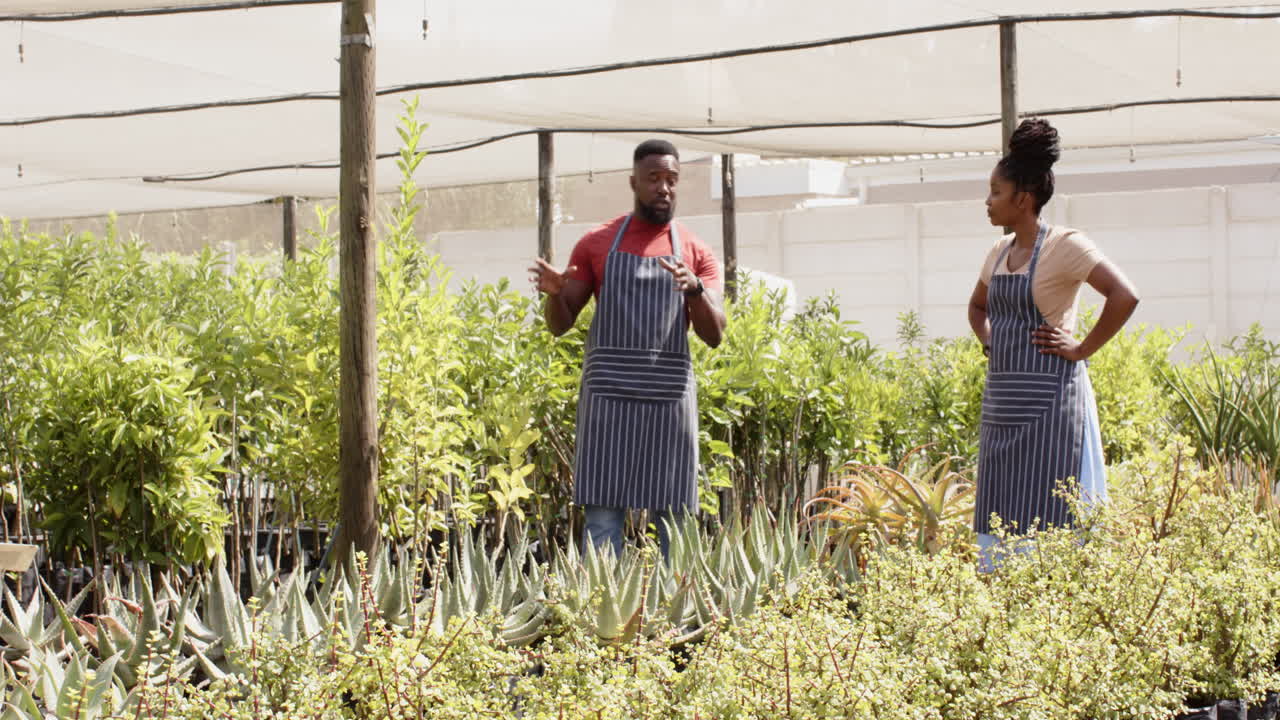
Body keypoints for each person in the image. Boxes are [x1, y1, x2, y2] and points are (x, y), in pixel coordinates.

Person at [529, 139, 727, 559]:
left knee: (675, 516)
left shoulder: (694, 251)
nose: (664, 188)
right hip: (608, 400)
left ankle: (678, 615)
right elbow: (561, 325)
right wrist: (553, 294)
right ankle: (604, 617)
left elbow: (715, 334)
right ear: (633, 182)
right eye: (653, 178)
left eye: (671, 179)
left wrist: (694, 289)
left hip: (668, 399)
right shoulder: (596, 243)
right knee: (602, 517)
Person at [967, 118, 1140, 570]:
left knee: (1053, 519)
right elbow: (977, 308)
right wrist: (993, 346)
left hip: (1052, 409)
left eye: (995, 191)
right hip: (1002, 409)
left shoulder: (1066, 246)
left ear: (1022, 199)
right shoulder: (999, 253)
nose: (987, 201)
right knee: (1001, 515)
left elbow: (1125, 296)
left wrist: (1082, 348)